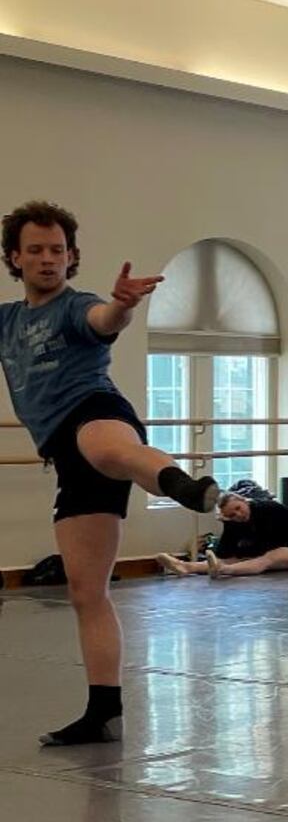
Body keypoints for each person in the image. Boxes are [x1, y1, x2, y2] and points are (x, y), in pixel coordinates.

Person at [0, 199, 222, 749]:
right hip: (64, 454)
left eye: (58, 250)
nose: (48, 259)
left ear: (71, 257)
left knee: (107, 446)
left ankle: (182, 484)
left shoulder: (78, 307)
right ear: (15, 258)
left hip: (95, 411)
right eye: (37, 250)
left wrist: (122, 307)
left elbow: (105, 321)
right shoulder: (7, 320)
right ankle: (104, 713)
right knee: (85, 591)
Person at [156, 490, 288, 578]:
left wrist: (237, 559)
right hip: (264, 551)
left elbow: (281, 540)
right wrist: (228, 526)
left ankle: (225, 571)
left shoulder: (269, 508)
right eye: (232, 515)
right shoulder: (233, 523)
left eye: (238, 509)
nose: (238, 515)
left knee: (272, 556)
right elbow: (225, 553)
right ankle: (186, 566)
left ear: (244, 501)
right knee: (232, 559)